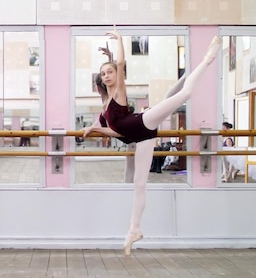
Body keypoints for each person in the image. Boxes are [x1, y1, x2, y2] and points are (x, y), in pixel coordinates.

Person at [83, 28, 221, 256]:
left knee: (184, 94)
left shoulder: (119, 92)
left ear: (118, 75)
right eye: (104, 74)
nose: (107, 75)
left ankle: (208, 58)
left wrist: (118, 41)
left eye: (111, 72)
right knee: (139, 184)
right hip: (141, 138)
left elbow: (120, 62)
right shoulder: (105, 101)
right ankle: (134, 230)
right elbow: (116, 132)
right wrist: (96, 127)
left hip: (142, 123)